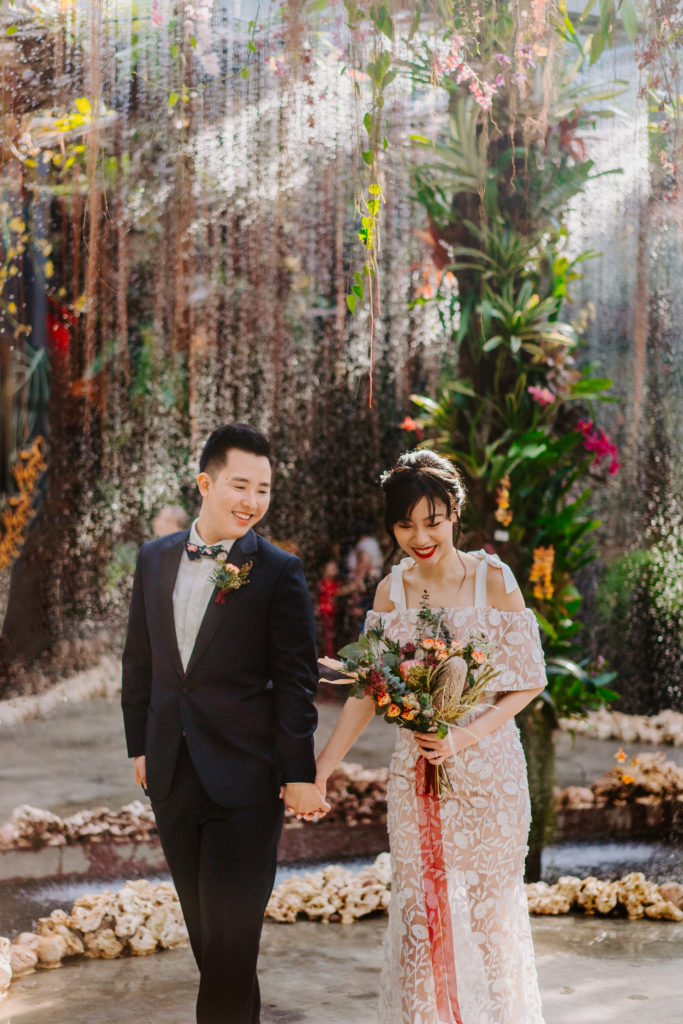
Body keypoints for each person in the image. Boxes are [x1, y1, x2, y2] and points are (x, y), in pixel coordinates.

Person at [315, 449, 547, 1024]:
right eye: (405, 524)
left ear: (454, 515)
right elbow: (367, 691)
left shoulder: (493, 579)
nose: (419, 537)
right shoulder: (392, 592)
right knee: (421, 914)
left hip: (490, 773)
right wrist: (321, 770)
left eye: (433, 521)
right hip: (416, 775)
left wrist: (463, 739)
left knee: (492, 920)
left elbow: (528, 681)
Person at [121, 423, 328, 1024]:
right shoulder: (154, 558)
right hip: (172, 773)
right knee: (212, 946)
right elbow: (139, 662)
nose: (252, 501)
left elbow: (296, 681)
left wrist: (299, 772)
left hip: (247, 782)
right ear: (205, 484)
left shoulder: (278, 571)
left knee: (231, 948)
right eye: (241, 486)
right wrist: (139, 746)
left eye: (263, 489)